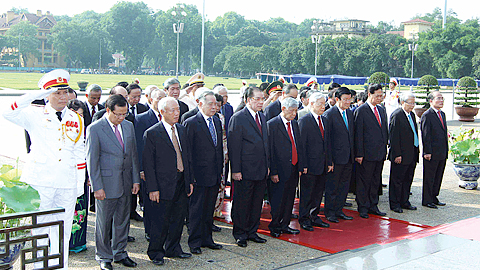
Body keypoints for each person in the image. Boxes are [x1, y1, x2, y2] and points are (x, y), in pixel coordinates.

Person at [4, 69, 86, 269]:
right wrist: (35, 95)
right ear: (46, 94)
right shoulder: (34, 113)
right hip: (40, 182)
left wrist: (79, 182)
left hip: (66, 183)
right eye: (56, 92)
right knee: (39, 229)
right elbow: (8, 111)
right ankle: (39, 267)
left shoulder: (76, 118)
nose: (62, 96)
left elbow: (79, 152)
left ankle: (61, 266)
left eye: (65, 92)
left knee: (63, 231)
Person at [86, 94, 141, 270]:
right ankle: (104, 256)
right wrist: (97, 187)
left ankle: (120, 252)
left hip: (125, 182)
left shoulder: (128, 126)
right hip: (106, 184)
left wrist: (135, 180)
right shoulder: (95, 128)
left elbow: (133, 155)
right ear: (108, 110)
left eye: (124, 114)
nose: (122, 117)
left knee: (123, 220)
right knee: (104, 222)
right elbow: (91, 160)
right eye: (118, 114)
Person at [143, 97, 194, 266]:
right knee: (160, 220)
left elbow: (187, 157)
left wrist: (189, 180)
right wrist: (152, 188)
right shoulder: (152, 133)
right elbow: (148, 164)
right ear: (162, 112)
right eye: (172, 110)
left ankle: (174, 248)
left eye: (178, 110)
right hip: (162, 184)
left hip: (181, 180)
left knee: (178, 218)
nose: (176, 113)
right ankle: (156, 251)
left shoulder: (181, 129)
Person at [228, 86, 269, 248]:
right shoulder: (238, 118)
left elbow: (265, 144)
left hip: (260, 169)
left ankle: (252, 231)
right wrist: (236, 170)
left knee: (256, 202)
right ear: (247, 100)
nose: (260, 102)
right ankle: (240, 233)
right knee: (242, 203)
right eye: (256, 99)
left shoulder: (262, 117)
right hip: (244, 170)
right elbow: (234, 146)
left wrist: (267, 166)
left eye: (262, 98)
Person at [184, 91, 224, 254]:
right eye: (211, 104)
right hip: (198, 176)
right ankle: (194, 241)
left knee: (209, 210)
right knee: (196, 211)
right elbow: (188, 153)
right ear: (200, 103)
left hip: (214, 174)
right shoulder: (191, 122)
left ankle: (207, 239)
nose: (214, 107)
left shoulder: (216, 121)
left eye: (216, 104)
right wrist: (190, 178)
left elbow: (218, 148)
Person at [267, 97, 303, 238]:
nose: (294, 113)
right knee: (278, 200)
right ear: (283, 109)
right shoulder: (272, 125)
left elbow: (298, 145)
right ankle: (275, 225)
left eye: (296, 110)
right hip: (279, 169)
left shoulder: (294, 124)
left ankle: (285, 224)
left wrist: (300, 166)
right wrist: (273, 171)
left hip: (293, 168)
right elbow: (270, 151)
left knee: (289, 199)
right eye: (292, 110)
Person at [134, 88, 166, 241]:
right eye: (158, 98)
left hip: (165, 170)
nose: (161, 101)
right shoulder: (141, 119)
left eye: (163, 98)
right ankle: (149, 230)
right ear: (150, 100)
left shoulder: (169, 117)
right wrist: (141, 169)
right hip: (148, 168)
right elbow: (139, 146)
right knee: (149, 201)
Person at [354, 84, 388, 219]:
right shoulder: (361, 110)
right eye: (377, 96)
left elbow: (384, 130)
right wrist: (359, 153)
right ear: (369, 94)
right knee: (364, 181)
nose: (380, 98)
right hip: (366, 154)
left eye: (381, 96)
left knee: (375, 180)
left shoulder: (381, 109)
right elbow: (358, 134)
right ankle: (363, 206)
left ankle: (373, 205)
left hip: (379, 152)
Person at [298, 93, 331, 231]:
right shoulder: (304, 121)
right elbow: (301, 146)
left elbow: (328, 143)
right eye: (320, 104)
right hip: (309, 165)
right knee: (307, 193)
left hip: (322, 163)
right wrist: (303, 165)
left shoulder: (325, 120)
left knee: (318, 192)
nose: (323, 107)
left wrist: (329, 162)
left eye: (324, 104)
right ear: (311, 104)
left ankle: (314, 215)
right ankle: (304, 218)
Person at [323, 87, 355, 223]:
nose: (348, 102)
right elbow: (327, 141)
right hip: (335, 159)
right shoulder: (329, 115)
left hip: (348, 157)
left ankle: (339, 210)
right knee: (332, 187)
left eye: (350, 99)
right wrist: (329, 161)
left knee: (344, 186)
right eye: (345, 99)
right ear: (337, 99)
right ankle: (330, 212)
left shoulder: (350, 113)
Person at [65, 99, 90, 253]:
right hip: (66, 176)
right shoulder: (63, 129)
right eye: (74, 114)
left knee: (80, 212)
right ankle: (63, 243)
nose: (78, 118)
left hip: (82, 176)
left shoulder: (87, 130)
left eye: (81, 114)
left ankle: (78, 242)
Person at [388, 92, 419, 213]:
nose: (412, 105)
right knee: (397, 180)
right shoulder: (397, 115)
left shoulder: (411, 115)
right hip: (401, 154)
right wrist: (397, 154)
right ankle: (395, 203)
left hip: (411, 153)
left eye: (413, 103)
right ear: (402, 102)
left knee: (408, 179)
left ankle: (404, 201)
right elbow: (394, 137)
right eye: (410, 103)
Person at [421, 91, 448, 209]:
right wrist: (427, 151)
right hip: (431, 152)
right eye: (438, 98)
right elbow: (425, 135)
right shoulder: (427, 115)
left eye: (442, 98)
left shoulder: (442, 114)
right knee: (430, 176)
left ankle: (434, 196)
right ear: (431, 101)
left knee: (438, 176)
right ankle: (427, 199)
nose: (441, 101)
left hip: (442, 151)